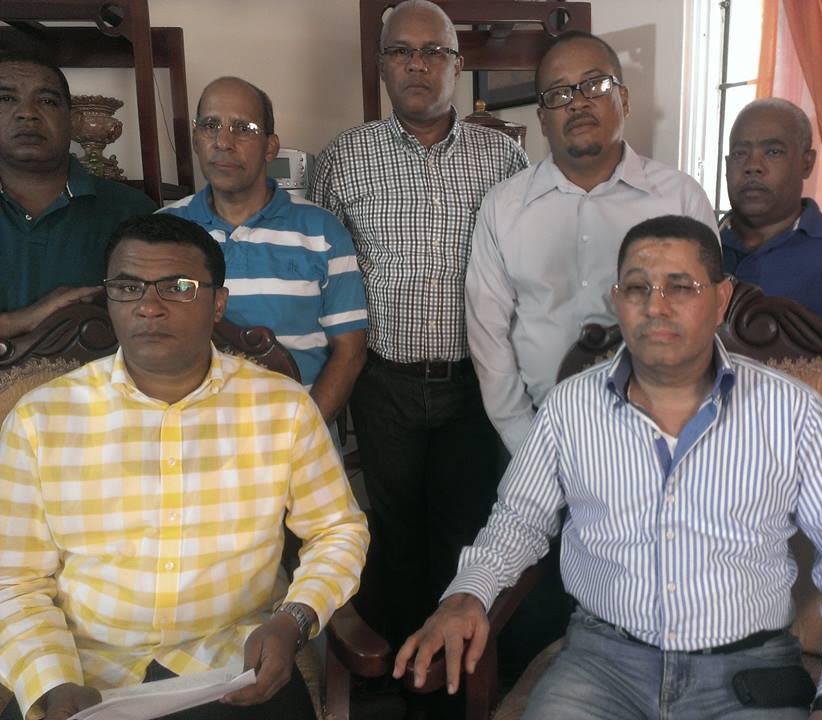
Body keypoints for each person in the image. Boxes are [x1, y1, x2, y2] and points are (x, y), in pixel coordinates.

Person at [397, 215, 822, 720]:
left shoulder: (792, 412)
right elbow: (519, 520)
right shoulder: (571, 407)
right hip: (601, 667)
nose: (656, 306)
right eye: (637, 288)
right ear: (616, 301)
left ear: (721, 299)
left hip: (747, 670)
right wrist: (468, 593)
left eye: (680, 287)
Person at [0, 213, 369, 720]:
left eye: (178, 287)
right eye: (128, 287)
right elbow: (13, 578)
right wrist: (51, 682)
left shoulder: (282, 407)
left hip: (235, 666)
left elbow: (338, 531)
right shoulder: (40, 418)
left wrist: (294, 619)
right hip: (86, 675)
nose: (149, 306)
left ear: (218, 303)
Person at [309, 0, 528, 648]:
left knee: (466, 530)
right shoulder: (344, 158)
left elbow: (526, 269)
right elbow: (325, 274)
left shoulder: (503, 159)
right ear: (382, 66)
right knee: (395, 529)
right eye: (401, 51)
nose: (417, 64)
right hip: (383, 383)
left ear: (457, 66)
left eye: (434, 51)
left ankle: (457, 672)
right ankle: (406, 670)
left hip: (475, 382)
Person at [465, 31, 717, 456]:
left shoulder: (680, 198)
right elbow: (488, 335)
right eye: (559, 93)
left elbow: (705, 320)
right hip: (537, 430)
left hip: (661, 437)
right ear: (542, 118)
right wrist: (527, 442)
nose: (577, 103)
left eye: (594, 85)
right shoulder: (503, 207)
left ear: (624, 99)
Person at [163, 77, 367, 422]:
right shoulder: (162, 233)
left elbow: (350, 352)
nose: (223, 142)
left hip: (297, 434)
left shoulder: (323, 232)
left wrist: (304, 437)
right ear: (196, 139)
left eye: (243, 128)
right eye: (210, 125)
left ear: (270, 148)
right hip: (192, 438)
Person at [0, 50, 157, 338]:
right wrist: (22, 320)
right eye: (6, 99)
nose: (27, 113)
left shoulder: (132, 212)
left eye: (47, 101)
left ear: (73, 121)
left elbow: (159, 318)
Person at [721, 98, 822, 326]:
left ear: (806, 163)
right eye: (740, 153)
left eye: (773, 152)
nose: (753, 166)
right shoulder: (697, 244)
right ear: (726, 164)